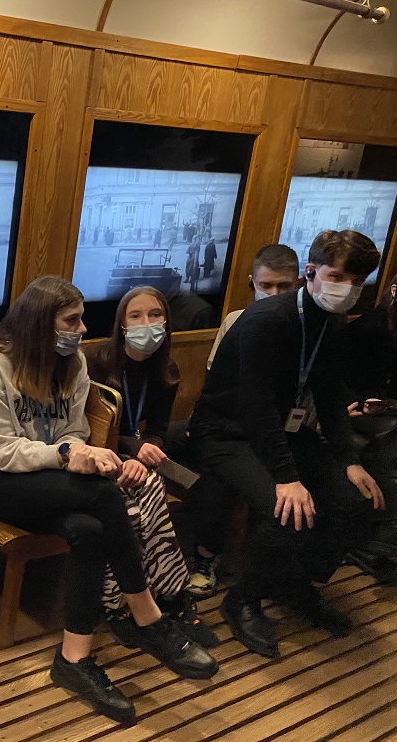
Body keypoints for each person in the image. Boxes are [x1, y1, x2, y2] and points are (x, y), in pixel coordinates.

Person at [0, 275, 217, 726]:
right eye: (71, 321)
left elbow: (74, 430)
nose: (81, 329)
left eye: (80, 320)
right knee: (102, 495)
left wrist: (83, 452)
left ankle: (73, 659)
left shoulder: (73, 362)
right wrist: (65, 454)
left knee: (89, 529)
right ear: (40, 323)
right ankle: (147, 615)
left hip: (48, 473)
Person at [188, 230, 384, 660]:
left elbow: (329, 395)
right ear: (310, 273)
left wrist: (348, 459)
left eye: (357, 281)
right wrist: (287, 477)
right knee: (283, 510)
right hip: (227, 432)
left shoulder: (332, 322)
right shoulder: (266, 321)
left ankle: (296, 584)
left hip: (281, 430)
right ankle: (243, 599)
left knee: (354, 499)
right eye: (338, 277)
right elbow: (254, 405)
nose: (347, 288)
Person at [84, 287, 218, 650]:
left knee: (146, 498)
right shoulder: (96, 363)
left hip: (132, 460)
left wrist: (146, 452)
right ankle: (164, 596)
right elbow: (90, 431)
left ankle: (133, 602)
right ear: (122, 324)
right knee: (139, 501)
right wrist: (133, 450)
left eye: (156, 315)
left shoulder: (166, 369)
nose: (147, 323)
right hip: (95, 455)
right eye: (136, 315)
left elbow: (157, 429)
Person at [179, 244, 300, 600]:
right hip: (229, 427)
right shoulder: (237, 320)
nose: (274, 294)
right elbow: (215, 381)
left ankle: (264, 569)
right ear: (252, 283)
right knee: (220, 478)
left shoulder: (301, 325)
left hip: (276, 428)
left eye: (284, 286)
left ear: (299, 284)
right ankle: (206, 558)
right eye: (266, 286)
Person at [340, 270, 397, 583]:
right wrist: (365, 401)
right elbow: (338, 383)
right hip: (357, 411)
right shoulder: (369, 329)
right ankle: (380, 545)